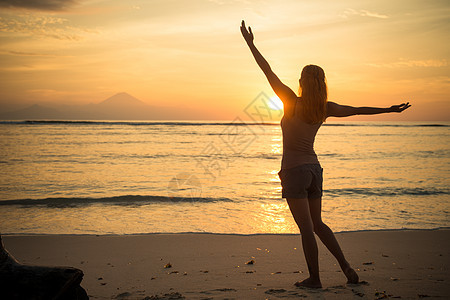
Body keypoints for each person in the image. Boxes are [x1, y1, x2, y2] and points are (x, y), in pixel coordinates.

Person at [240, 20, 411, 288]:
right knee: (318, 224)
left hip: (295, 172)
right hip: (314, 171)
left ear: (301, 82)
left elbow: (267, 71)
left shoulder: (288, 100)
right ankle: (347, 269)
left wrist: (251, 44)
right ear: (321, 84)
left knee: (307, 229)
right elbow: (358, 109)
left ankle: (315, 278)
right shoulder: (325, 108)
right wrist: (389, 110)